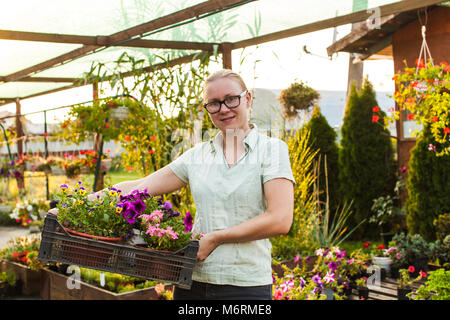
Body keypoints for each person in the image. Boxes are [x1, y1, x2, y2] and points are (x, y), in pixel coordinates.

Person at [50, 69, 295, 300]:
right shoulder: (197, 156)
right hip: (192, 281)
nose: (223, 109)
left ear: (248, 99)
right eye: (214, 103)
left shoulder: (271, 151)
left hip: (245, 286)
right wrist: (73, 206)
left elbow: (280, 219)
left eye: (231, 99)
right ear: (207, 109)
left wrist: (217, 238)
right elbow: (139, 186)